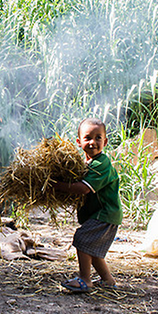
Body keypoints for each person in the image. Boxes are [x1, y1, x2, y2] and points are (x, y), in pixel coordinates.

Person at [54, 117, 123, 292]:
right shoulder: (86, 164)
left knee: (82, 240)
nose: (93, 142)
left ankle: (85, 279)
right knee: (92, 249)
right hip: (100, 214)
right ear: (78, 142)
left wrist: (55, 185)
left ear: (105, 141)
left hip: (105, 214)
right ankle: (108, 281)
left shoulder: (102, 163)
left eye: (98, 138)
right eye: (87, 138)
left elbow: (84, 189)